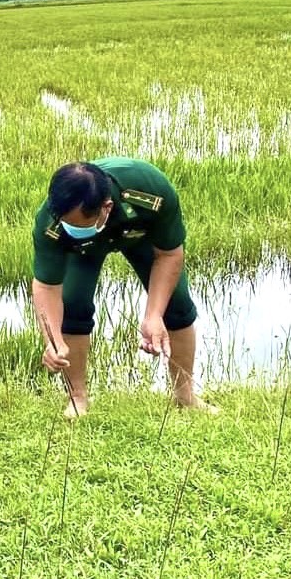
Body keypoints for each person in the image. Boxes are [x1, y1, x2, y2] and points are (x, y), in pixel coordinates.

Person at [31, 158, 215, 417]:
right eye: (66, 224)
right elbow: (46, 286)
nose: (68, 228)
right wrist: (53, 341)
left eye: (77, 224)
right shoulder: (50, 221)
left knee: (177, 306)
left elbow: (170, 254)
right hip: (81, 251)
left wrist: (153, 316)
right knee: (73, 306)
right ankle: (77, 398)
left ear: (106, 207)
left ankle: (185, 395)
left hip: (140, 235)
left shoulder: (149, 189)